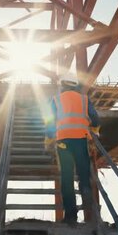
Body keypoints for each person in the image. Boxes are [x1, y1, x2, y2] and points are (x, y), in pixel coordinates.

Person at [44, 73, 100, 225]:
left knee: (67, 177)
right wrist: (94, 132)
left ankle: (70, 215)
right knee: (83, 171)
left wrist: (49, 139)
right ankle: (86, 190)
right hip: (81, 139)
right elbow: (95, 118)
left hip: (63, 141)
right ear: (75, 85)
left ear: (62, 85)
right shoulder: (84, 99)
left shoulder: (56, 100)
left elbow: (49, 122)